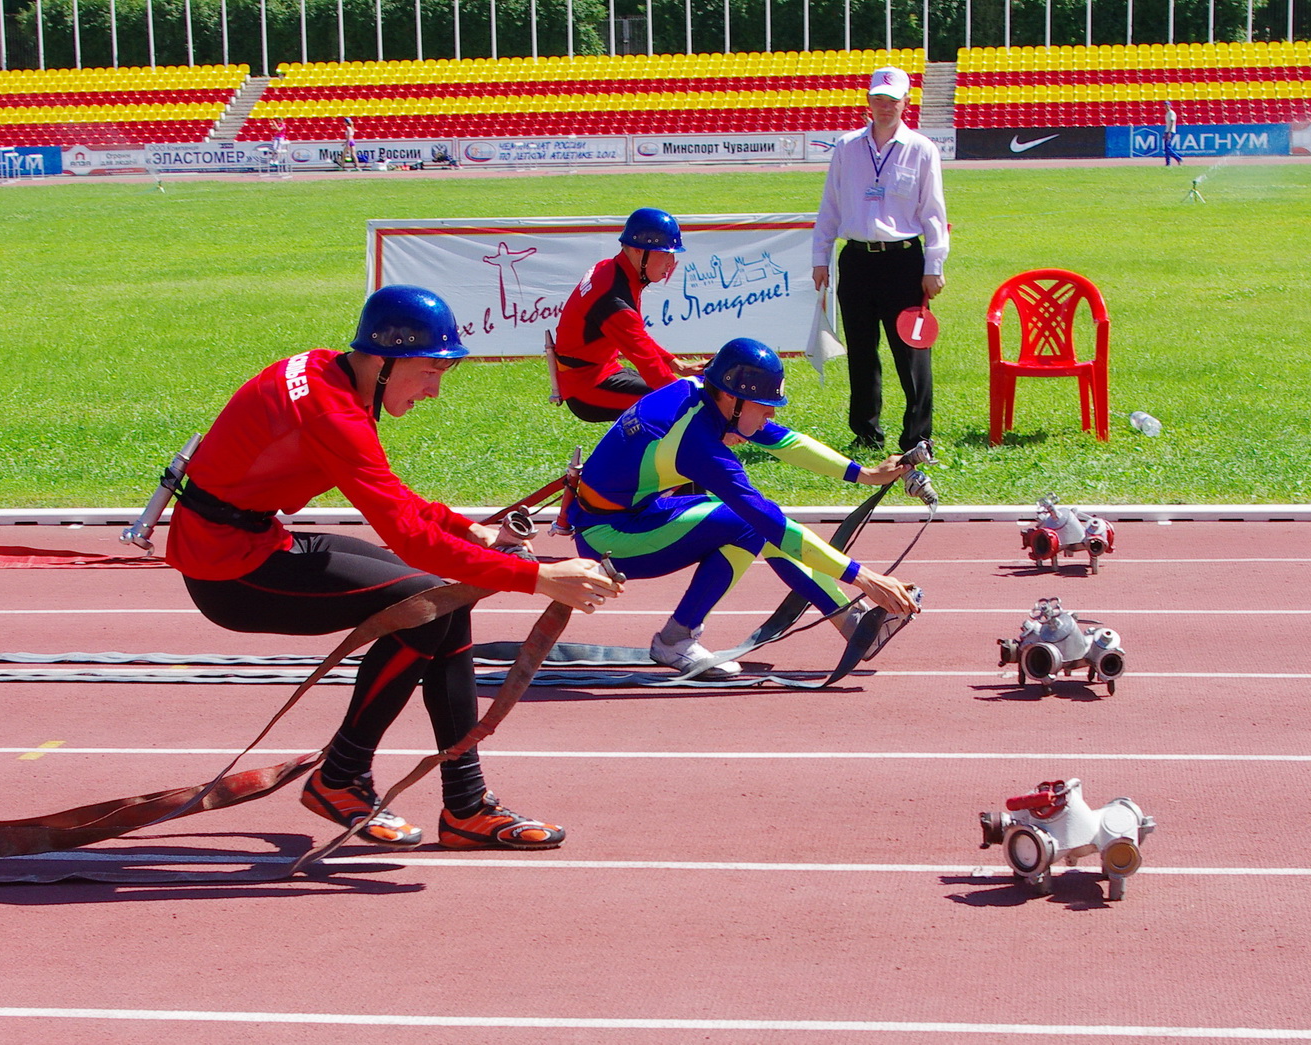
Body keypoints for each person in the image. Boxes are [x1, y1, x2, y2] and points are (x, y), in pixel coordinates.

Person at [164, 285, 623, 849]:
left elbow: (396, 500)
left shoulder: (330, 375)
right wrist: (540, 578)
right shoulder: (333, 412)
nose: (434, 391)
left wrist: (469, 530)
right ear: (383, 358)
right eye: (429, 371)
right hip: (229, 570)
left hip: (251, 538)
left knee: (442, 600)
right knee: (428, 605)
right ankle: (344, 777)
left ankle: (464, 805)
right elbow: (406, 536)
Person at [568, 337, 921, 679]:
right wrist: (866, 577)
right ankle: (676, 639)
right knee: (751, 523)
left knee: (750, 522)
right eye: (765, 405)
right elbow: (767, 520)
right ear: (733, 398)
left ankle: (852, 623)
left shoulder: (704, 396)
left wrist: (865, 474)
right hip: (609, 538)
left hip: (630, 516)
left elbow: (782, 439)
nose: (770, 413)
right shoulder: (697, 442)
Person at [812, 66, 948, 454]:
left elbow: (934, 212)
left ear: (907, 102)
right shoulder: (847, 146)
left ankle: (918, 435)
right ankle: (866, 432)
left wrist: (933, 266)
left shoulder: (921, 149)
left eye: (892, 100)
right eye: (878, 99)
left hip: (904, 260)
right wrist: (820, 255)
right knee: (861, 349)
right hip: (856, 260)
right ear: (868, 102)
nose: (884, 107)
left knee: (911, 350)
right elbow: (830, 206)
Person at [550, 207, 705, 422]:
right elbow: (650, 367)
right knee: (679, 406)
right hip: (586, 388)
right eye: (664, 253)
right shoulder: (614, 301)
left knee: (680, 399)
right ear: (637, 250)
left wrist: (676, 365)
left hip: (602, 372)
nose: (671, 263)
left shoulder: (611, 269)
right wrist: (691, 401)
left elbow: (637, 337)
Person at [1163, 101, 1185, 167]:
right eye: (1165, 106)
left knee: (1168, 147)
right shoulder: (1167, 114)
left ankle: (1178, 158)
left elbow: (1172, 123)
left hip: (1171, 131)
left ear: (1170, 106)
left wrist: (1169, 132)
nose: (1166, 107)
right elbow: (1167, 124)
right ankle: (1168, 163)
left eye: (1167, 105)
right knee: (1166, 148)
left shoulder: (1172, 113)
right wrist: (1165, 133)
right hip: (1167, 131)